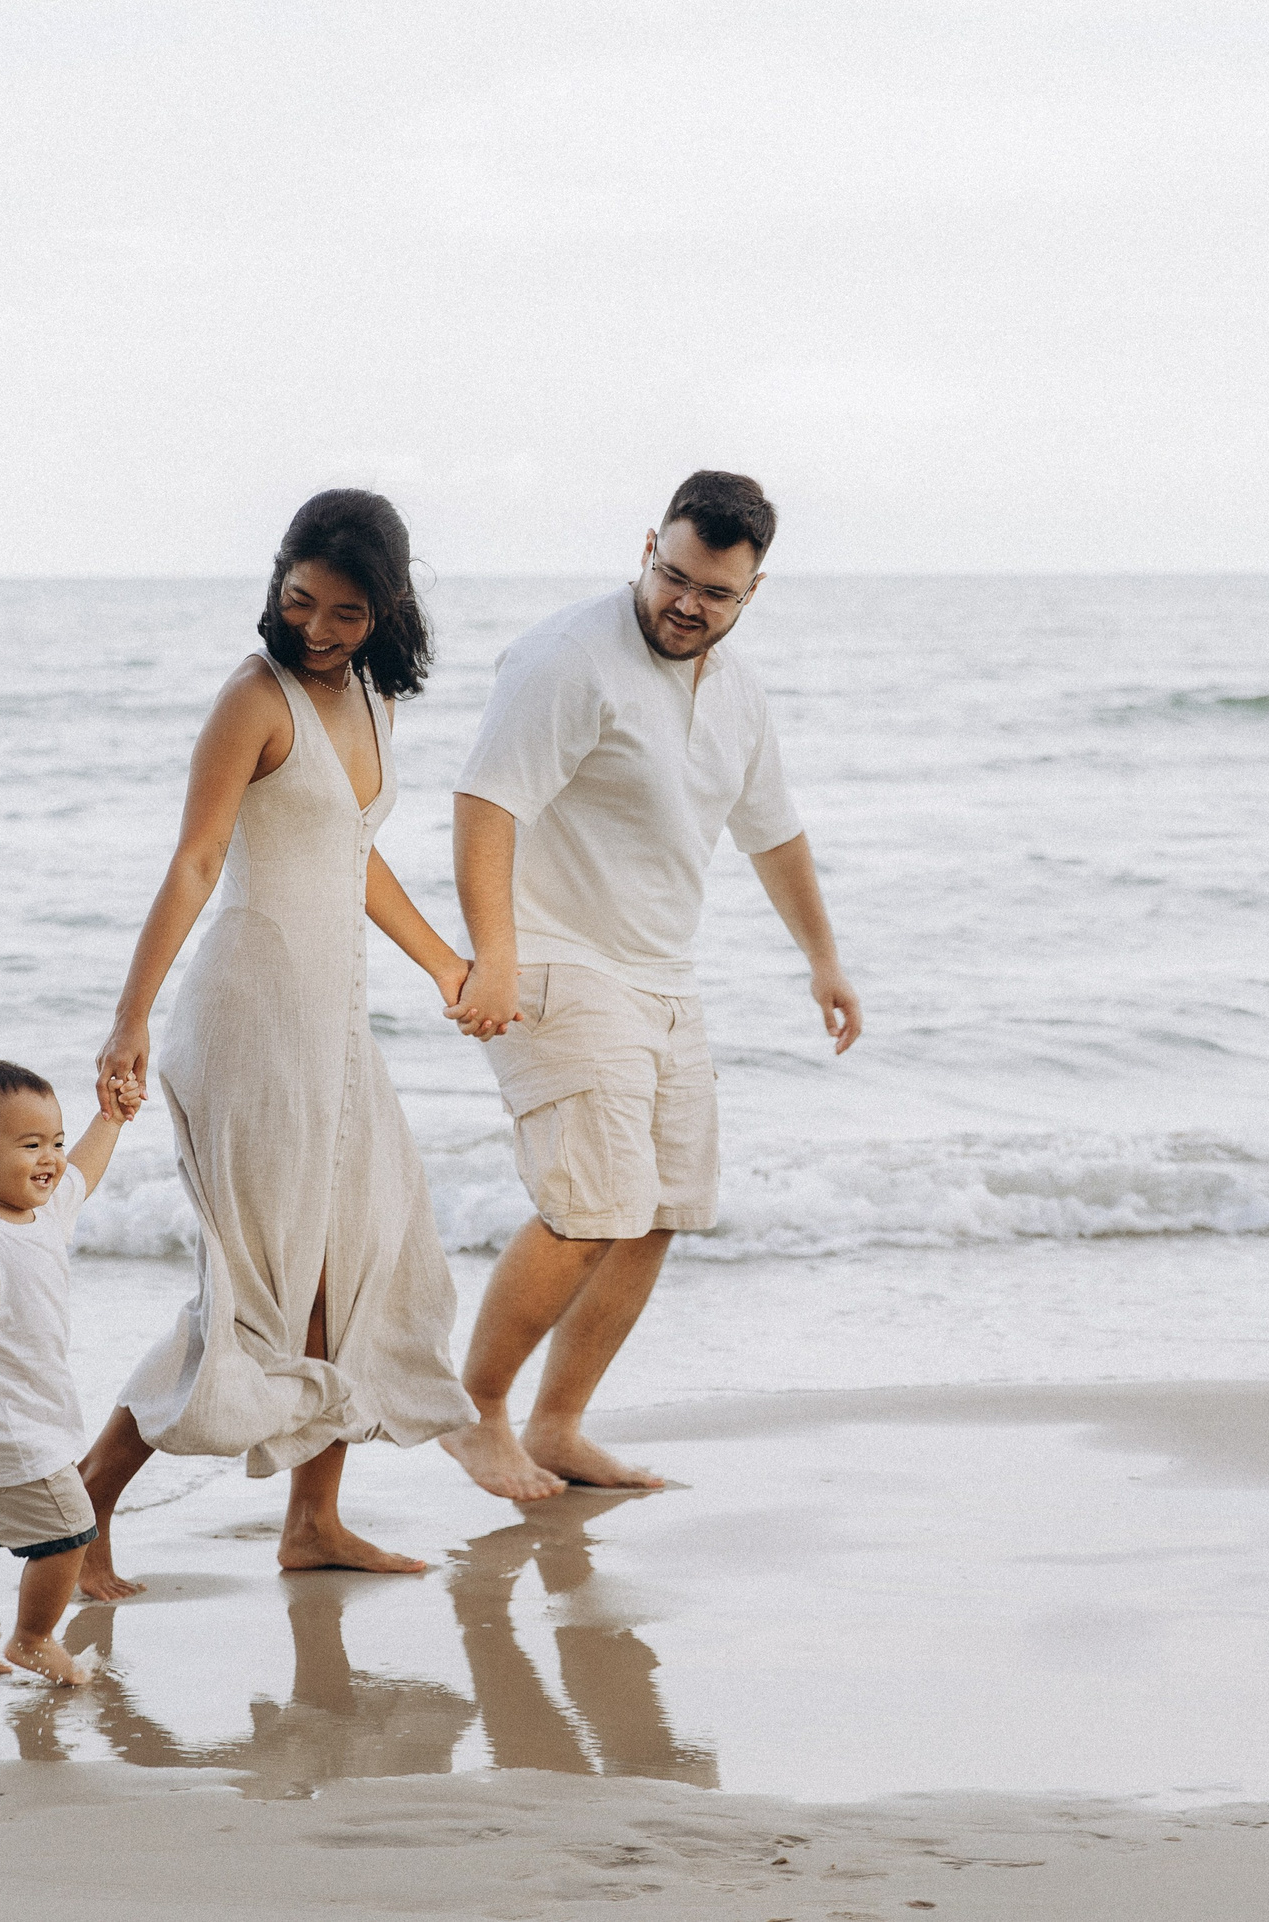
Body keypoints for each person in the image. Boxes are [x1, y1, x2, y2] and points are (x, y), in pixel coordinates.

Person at [78, 490, 480, 1597]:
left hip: (335, 1027)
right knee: (252, 1292)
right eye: (297, 600)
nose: (314, 627)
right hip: (250, 1017)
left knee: (361, 1262)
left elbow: (354, 856)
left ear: (385, 607)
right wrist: (129, 1015)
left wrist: (445, 962)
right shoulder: (251, 701)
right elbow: (197, 862)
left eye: (344, 612)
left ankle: (313, 1521)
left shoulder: (370, 693)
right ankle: (82, 1507)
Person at [440, 471, 863, 1502]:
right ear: (645, 547)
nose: (686, 603)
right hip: (555, 961)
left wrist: (823, 956)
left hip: (663, 977)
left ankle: (559, 1422)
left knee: (657, 1209)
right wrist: (492, 954)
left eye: (714, 592)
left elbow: (773, 829)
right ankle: (477, 1413)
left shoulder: (738, 689)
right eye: (671, 576)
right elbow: (485, 803)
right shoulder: (566, 658)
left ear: (750, 591)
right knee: (588, 1210)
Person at [0, 1055, 135, 1684]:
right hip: (9, 1432)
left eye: (55, 1142)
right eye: (31, 1144)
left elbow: (82, 1174)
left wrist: (109, 1119)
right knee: (72, 1534)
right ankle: (32, 1638)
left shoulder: (42, 1213)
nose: (51, 1158)